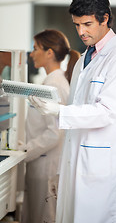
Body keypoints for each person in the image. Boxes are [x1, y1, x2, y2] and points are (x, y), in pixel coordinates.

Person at [29, 0, 116, 223]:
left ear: (105, 19)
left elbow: (106, 112)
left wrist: (59, 111)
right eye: (77, 25)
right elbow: (77, 118)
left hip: (106, 168)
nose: (81, 31)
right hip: (77, 164)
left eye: (88, 24)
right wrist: (61, 171)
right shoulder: (84, 60)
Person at [21, 29, 80, 223]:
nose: (31, 53)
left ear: (49, 53)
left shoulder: (53, 85)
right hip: (42, 164)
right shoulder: (52, 81)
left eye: (35, 48)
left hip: (46, 167)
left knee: (44, 217)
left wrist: (25, 151)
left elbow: (55, 132)